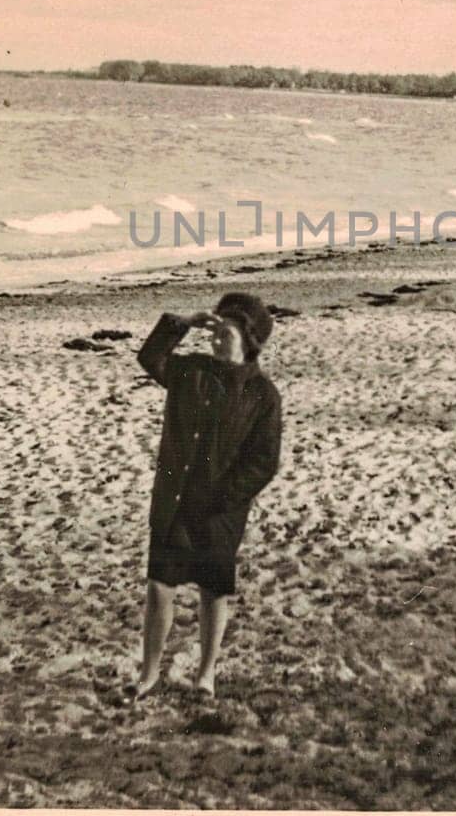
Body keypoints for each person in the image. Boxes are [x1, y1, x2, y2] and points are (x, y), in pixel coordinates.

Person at [129, 291, 282, 699]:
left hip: (220, 513)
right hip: (175, 503)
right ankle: (149, 672)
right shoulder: (190, 371)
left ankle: (206, 673)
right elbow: (150, 359)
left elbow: (264, 462)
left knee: (214, 591)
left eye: (225, 333)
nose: (216, 341)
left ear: (249, 341)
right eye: (214, 332)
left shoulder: (263, 396)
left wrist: (222, 500)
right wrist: (185, 323)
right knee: (160, 587)